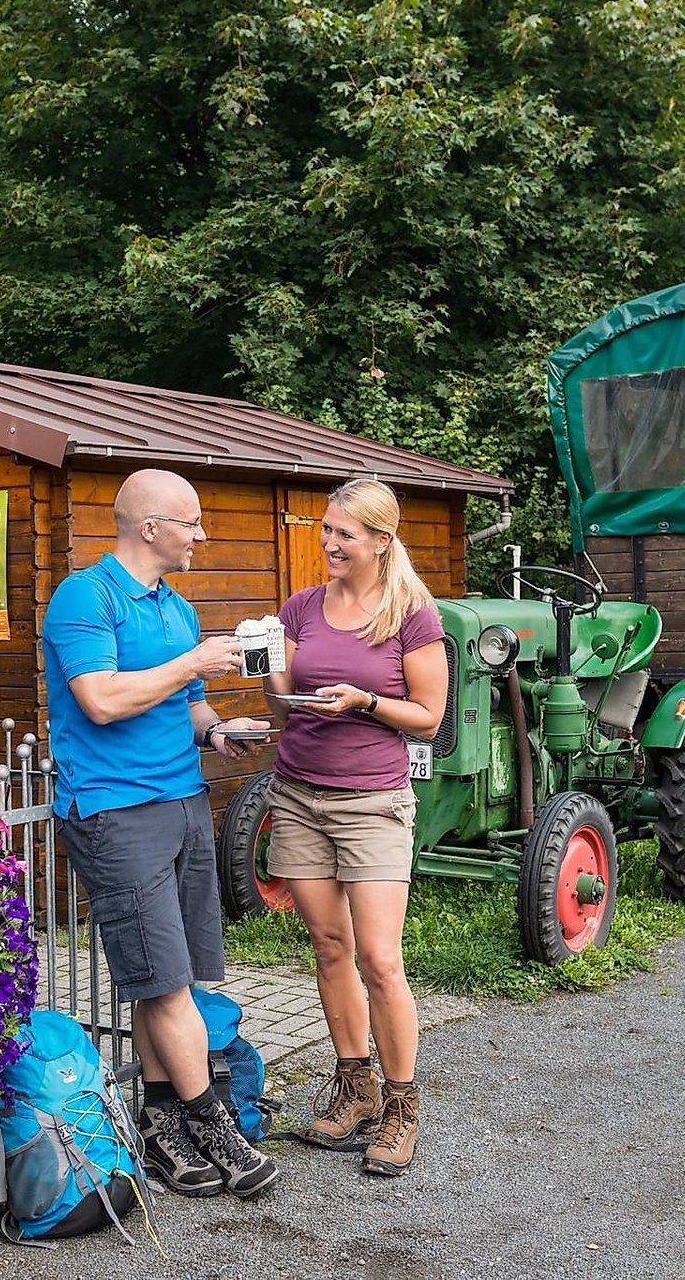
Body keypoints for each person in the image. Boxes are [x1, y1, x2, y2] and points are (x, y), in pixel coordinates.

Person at [41, 468, 282, 1200]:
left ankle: (159, 1125)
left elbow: (189, 706)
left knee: (162, 976)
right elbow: (102, 699)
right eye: (192, 523)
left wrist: (221, 731)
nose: (202, 536)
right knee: (170, 981)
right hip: (115, 810)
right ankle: (213, 1123)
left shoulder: (176, 609)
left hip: (182, 799)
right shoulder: (86, 596)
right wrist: (194, 662)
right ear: (151, 528)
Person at [262, 477, 447, 1177]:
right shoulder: (301, 607)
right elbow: (284, 706)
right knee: (329, 945)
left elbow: (428, 716)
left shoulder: (410, 614)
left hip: (371, 801)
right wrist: (268, 675)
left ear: (380, 541)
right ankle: (356, 1088)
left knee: (380, 957)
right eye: (327, 529)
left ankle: (402, 1108)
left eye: (345, 533)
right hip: (299, 793)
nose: (330, 542)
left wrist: (366, 700)